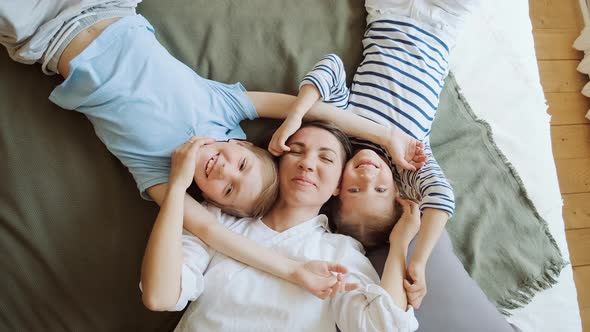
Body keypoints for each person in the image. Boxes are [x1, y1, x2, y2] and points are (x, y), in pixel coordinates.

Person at [0, 0, 427, 298]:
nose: (223, 170)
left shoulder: (162, 176)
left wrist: (294, 270)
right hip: (113, 9)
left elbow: (211, 232)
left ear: (206, 199)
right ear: (240, 140)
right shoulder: (223, 108)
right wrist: (386, 136)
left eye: (225, 189)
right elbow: (318, 112)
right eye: (241, 163)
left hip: (43, 32)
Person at [268, 0, 479, 309]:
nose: (368, 175)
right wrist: (417, 261)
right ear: (397, 193)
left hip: (388, 13)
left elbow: (331, 66)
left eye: (355, 188)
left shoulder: (345, 130)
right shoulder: (410, 160)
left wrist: (296, 115)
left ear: (338, 186)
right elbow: (442, 198)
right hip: (443, 25)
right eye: (379, 189)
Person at [141, 121, 420, 332]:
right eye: (296, 151)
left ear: (338, 185)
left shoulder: (341, 253)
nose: (307, 164)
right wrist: (178, 188)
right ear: (277, 162)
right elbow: (159, 296)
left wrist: (399, 245)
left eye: (326, 158)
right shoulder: (217, 220)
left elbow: (384, 326)